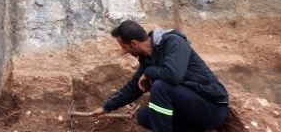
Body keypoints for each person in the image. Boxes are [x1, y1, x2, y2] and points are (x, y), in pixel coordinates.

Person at [90, 20, 228, 132]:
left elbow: (174, 75)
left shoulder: (173, 42)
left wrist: (149, 72)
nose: (124, 52)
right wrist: (106, 107)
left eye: (124, 47)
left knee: (161, 87)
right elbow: (133, 87)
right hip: (191, 114)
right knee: (144, 117)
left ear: (134, 43)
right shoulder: (148, 58)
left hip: (212, 108)